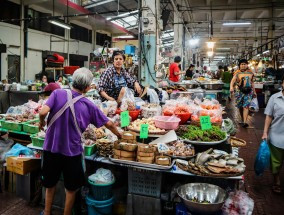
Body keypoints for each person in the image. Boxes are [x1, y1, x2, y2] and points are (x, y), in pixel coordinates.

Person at [39, 68, 122, 215]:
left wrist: (41, 123)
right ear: (88, 87)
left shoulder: (58, 93)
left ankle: (47, 212)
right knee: (71, 188)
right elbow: (109, 124)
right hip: (72, 152)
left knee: (50, 183)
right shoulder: (89, 105)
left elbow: (43, 112)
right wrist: (120, 135)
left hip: (51, 148)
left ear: (73, 81)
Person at [262, 75, 284, 194]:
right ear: (282, 83)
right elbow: (269, 116)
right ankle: (276, 181)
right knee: (276, 162)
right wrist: (265, 132)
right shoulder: (275, 98)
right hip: (277, 135)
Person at [230, 59, 257, 128]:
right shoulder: (237, 73)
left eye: (244, 64)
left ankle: (245, 122)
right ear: (239, 65)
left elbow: (252, 83)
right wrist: (231, 87)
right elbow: (232, 81)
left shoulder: (251, 73)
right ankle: (242, 119)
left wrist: (254, 91)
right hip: (239, 92)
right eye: (242, 64)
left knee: (246, 106)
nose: (243, 65)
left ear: (247, 65)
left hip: (248, 92)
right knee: (240, 106)